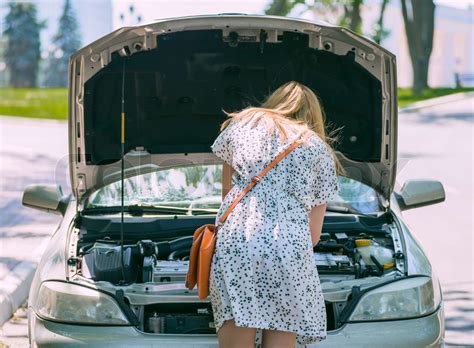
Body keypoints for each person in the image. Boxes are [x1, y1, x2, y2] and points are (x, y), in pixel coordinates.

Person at [209, 81, 341, 348]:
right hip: (289, 249)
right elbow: (313, 235)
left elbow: (227, 198)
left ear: (275, 101)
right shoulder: (318, 149)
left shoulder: (242, 125)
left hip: (238, 240)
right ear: (313, 114)